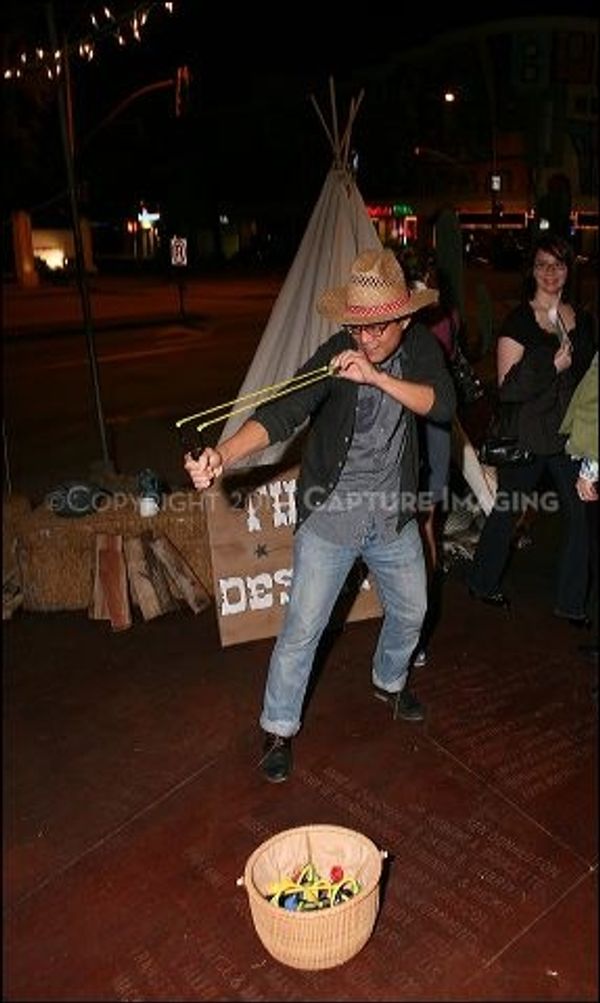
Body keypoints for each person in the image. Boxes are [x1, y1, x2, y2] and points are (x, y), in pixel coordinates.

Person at [185, 249, 456, 782]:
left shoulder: (421, 348)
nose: (367, 338)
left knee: (413, 610)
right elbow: (280, 413)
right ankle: (278, 728)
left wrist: (377, 379)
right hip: (331, 518)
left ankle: (390, 681)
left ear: (404, 318)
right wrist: (224, 455)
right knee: (303, 628)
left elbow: (441, 405)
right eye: (358, 326)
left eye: (379, 327)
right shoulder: (337, 354)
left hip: (391, 517)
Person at [467, 233, 597, 620]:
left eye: (558, 265)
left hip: (569, 437)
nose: (550, 272)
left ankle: (571, 604)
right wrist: (550, 366)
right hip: (527, 437)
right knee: (507, 510)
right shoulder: (519, 321)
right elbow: (508, 388)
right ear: (532, 271)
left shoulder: (581, 318)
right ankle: (482, 581)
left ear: (568, 270)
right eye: (542, 265)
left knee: (580, 517)